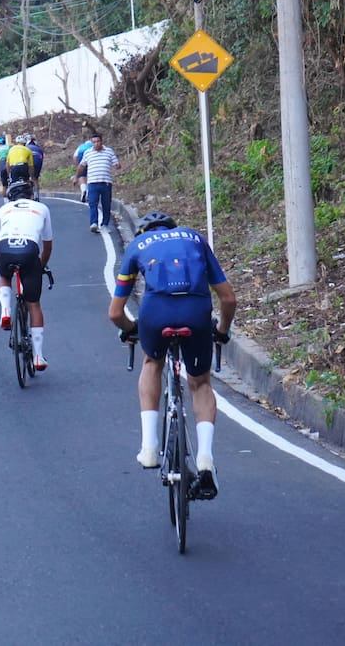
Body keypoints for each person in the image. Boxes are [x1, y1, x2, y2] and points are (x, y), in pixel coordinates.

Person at [108, 211, 236, 497]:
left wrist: (134, 330)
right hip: (196, 313)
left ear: (144, 231)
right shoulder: (195, 239)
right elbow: (228, 298)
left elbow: (115, 313)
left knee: (152, 362)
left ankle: (149, 447)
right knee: (200, 382)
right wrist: (222, 330)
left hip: (156, 313)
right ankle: (205, 459)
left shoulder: (137, 246)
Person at [0, 179, 54, 370]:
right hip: (29, 250)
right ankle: (38, 356)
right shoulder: (41, 208)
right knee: (34, 304)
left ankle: (5, 310)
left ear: (10, 197)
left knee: (4, 276)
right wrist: (40, 266)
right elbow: (47, 245)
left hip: (5, 248)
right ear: (31, 195)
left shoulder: (3, 210)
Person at [76, 133, 121, 232]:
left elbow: (116, 163)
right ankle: (94, 223)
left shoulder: (109, 151)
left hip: (106, 182)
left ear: (102, 141)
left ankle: (105, 224)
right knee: (93, 203)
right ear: (92, 143)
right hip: (92, 182)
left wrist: (117, 165)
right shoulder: (88, 153)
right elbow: (81, 166)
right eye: (94, 142)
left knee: (106, 205)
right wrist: (77, 177)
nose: (96, 144)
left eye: (98, 141)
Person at [73, 137, 93, 202]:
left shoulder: (81, 146)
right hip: (91, 157)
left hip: (80, 156)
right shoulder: (93, 146)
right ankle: (88, 192)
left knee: (82, 175)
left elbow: (75, 156)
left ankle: (84, 190)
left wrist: (78, 166)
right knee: (90, 174)